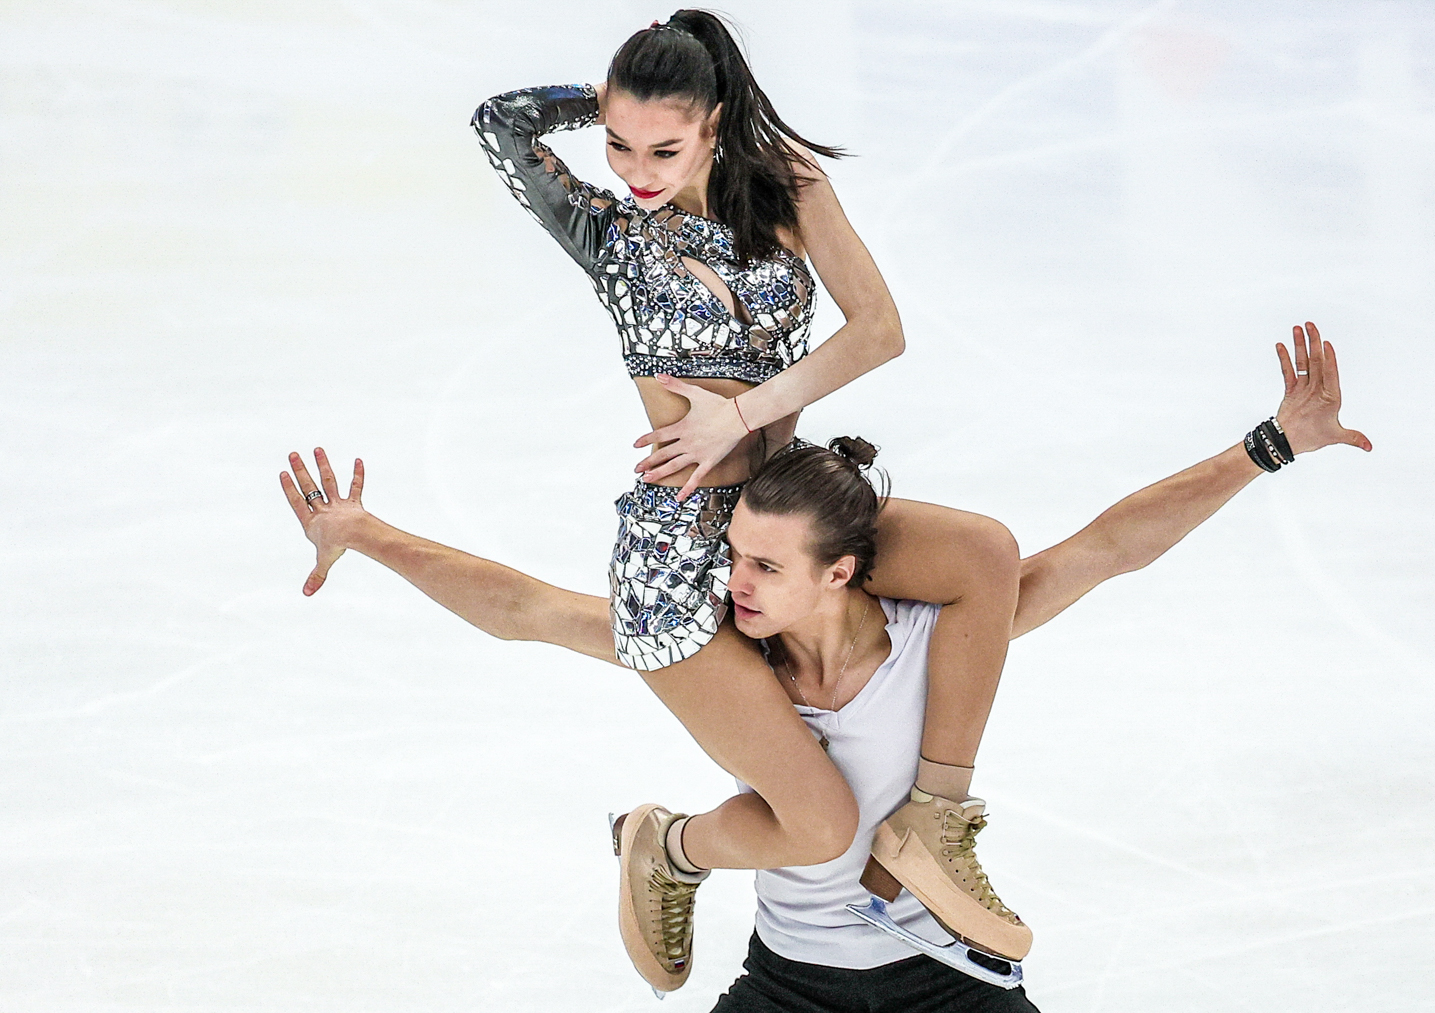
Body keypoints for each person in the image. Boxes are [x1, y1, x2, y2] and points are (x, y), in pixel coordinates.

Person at [280, 323, 1371, 1009]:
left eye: (762, 563)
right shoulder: (718, 652)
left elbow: (1101, 548)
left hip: (948, 985)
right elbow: (526, 608)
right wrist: (366, 533)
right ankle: (665, 847)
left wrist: (1268, 443)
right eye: (732, 554)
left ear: (841, 571)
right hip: (786, 988)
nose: (733, 581)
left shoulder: (938, 643)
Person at [468, 10, 1025, 987]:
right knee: (815, 822)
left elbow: (878, 330)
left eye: (665, 143)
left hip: (777, 503)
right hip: (681, 558)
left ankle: (934, 818)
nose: (636, 168)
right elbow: (497, 121)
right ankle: (666, 843)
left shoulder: (788, 190)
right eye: (617, 142)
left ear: (714, 123)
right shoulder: (609, 232)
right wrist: (601, 97)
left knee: (983, 556)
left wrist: (745, 416)